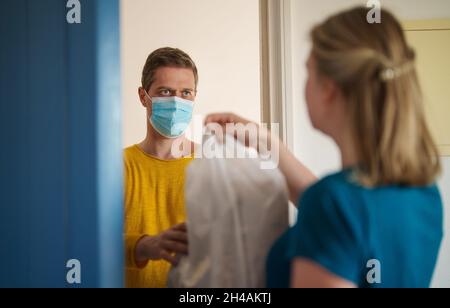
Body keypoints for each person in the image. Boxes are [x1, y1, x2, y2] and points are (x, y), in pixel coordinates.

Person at [205, 7, 443, 288]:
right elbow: (347, 219)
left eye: (309, 71)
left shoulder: (332, 203)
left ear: (328, 88)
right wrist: (268, 144)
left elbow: (336, 213)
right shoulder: (424, 192)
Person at [124, 47, 197, 288]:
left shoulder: (215, 165)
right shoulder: (116, 168)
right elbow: (89, 241)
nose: (177, 103)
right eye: (165, 92)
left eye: (186, 93)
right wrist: (142, 246)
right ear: (143, 97)